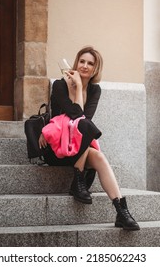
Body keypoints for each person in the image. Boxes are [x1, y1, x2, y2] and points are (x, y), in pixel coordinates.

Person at [39, 46, 140, 231]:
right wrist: (76, 87)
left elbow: (84, 121)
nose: (85, 66)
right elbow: (76, 115)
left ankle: (121, 211)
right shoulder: (60, 85)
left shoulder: (95, 90)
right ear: (76, 62)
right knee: (85, 125)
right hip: (56, 148)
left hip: (77, 147)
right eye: (82, 61)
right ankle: (78, 180)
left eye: (90, 63)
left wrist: (80, 88)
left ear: (95, 69)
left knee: (99, 155)